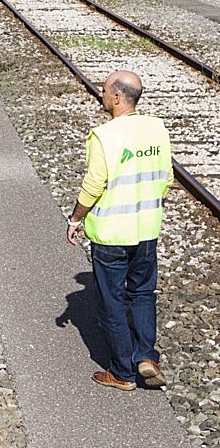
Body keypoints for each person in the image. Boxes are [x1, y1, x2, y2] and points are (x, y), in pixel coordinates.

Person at [66, 70, 172, 391]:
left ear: (116, 97)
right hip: (147, 229)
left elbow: (94, 184)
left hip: (112, 233)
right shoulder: (157, 128)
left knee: (111, 301)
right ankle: (146, 356)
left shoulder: (104, 136)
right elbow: (166, 179)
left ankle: (122, 372)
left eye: (104, 90)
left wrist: (76, 218)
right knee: (142, 293)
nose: (100, 94)